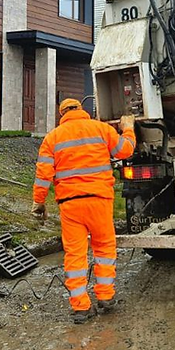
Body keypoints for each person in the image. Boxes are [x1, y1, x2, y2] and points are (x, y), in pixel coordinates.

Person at [32, 98, 136, 323]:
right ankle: (106, 297)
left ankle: (80, 307)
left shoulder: (53, 138)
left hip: (70, 205)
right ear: (82, 110)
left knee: (75, 254)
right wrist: (128, 129)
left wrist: (38, 202)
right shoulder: (101, 129)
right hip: (99, 200)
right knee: (104, 248)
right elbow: (125, 151)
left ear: (62, 114)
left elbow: (43, 175)